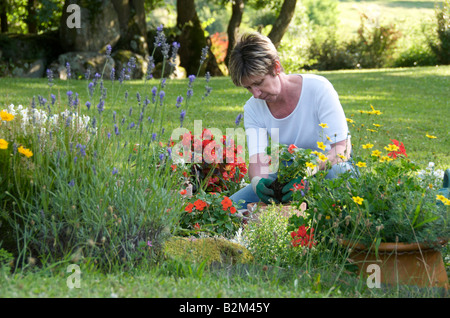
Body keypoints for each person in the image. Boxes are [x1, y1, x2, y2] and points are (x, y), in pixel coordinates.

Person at [228, 32, 356, 209]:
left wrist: (308, 173)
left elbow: (341, 149)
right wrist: (258, 183)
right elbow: (258, 160)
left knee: (338, 175)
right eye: (248, 87)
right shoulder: (253, 108)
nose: (256, 94)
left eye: (259, 83)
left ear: (276, 67)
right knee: (232, 206)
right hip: (288, 176)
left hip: (329, 168)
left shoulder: (319, 89)